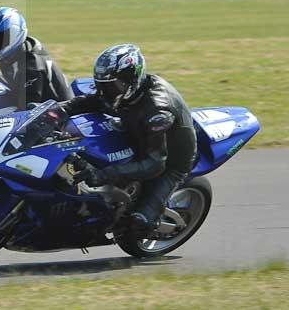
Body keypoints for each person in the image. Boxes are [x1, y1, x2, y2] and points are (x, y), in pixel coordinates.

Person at [60, 44, 197, 235]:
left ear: (132, 79)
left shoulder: (157, 112)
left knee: (139, 222)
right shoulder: (121, 93)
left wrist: (103, 175)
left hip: (170, 160)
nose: (106, 91)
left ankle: (147, 220)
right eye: (102, 85)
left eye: (112, 86)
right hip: (137, 135)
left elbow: (155, 164)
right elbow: (92, 101)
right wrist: (57, 110)